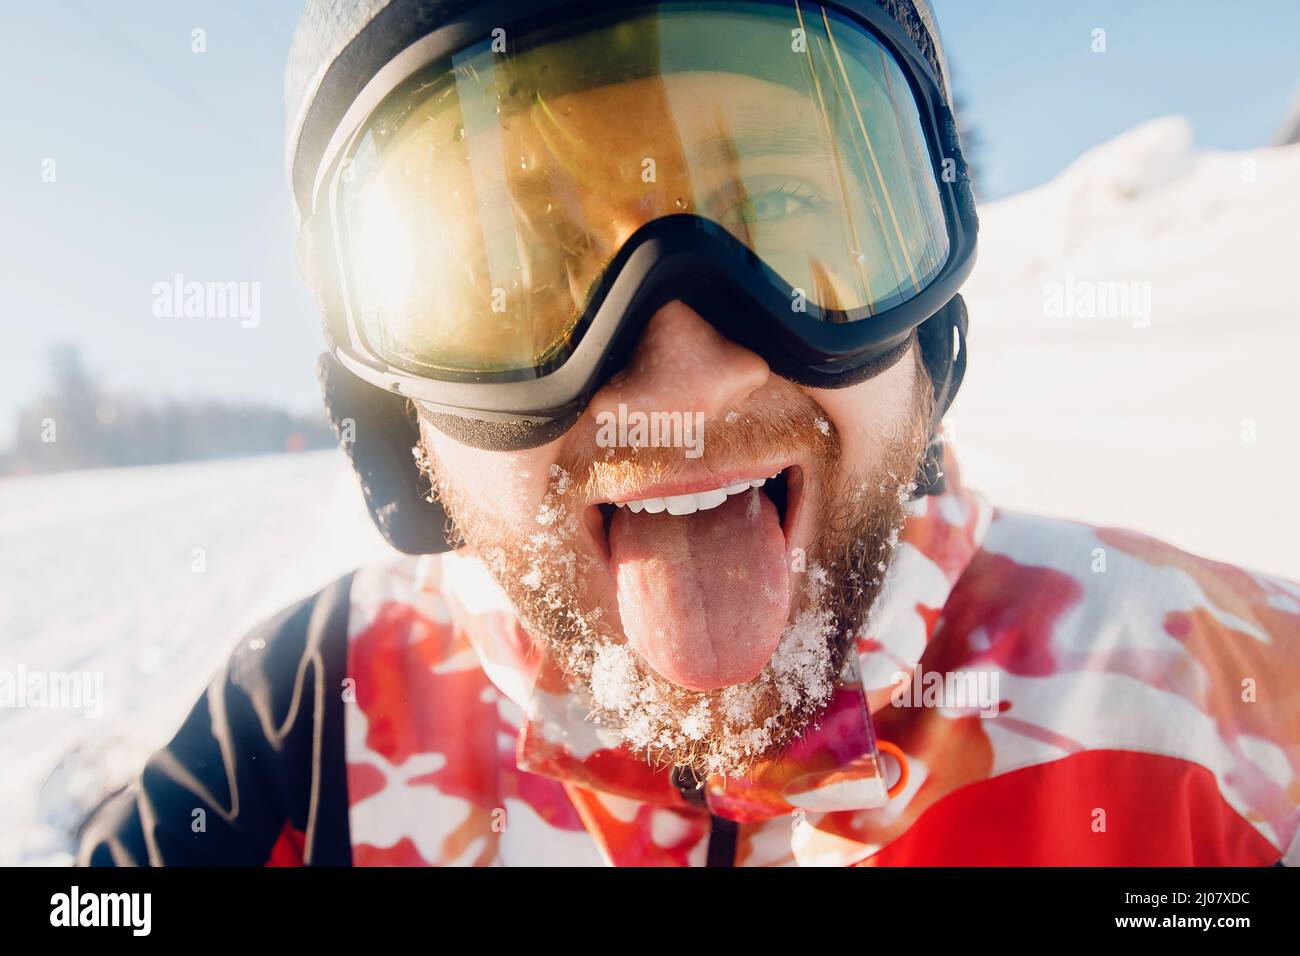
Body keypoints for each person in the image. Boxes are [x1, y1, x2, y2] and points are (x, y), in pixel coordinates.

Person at [79, 0, 1299, 867]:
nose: (690, 372)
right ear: (402, 417)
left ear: (928, 333)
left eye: (781, 211)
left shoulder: (1232, 699)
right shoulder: (307, 719)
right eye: (516, 272)